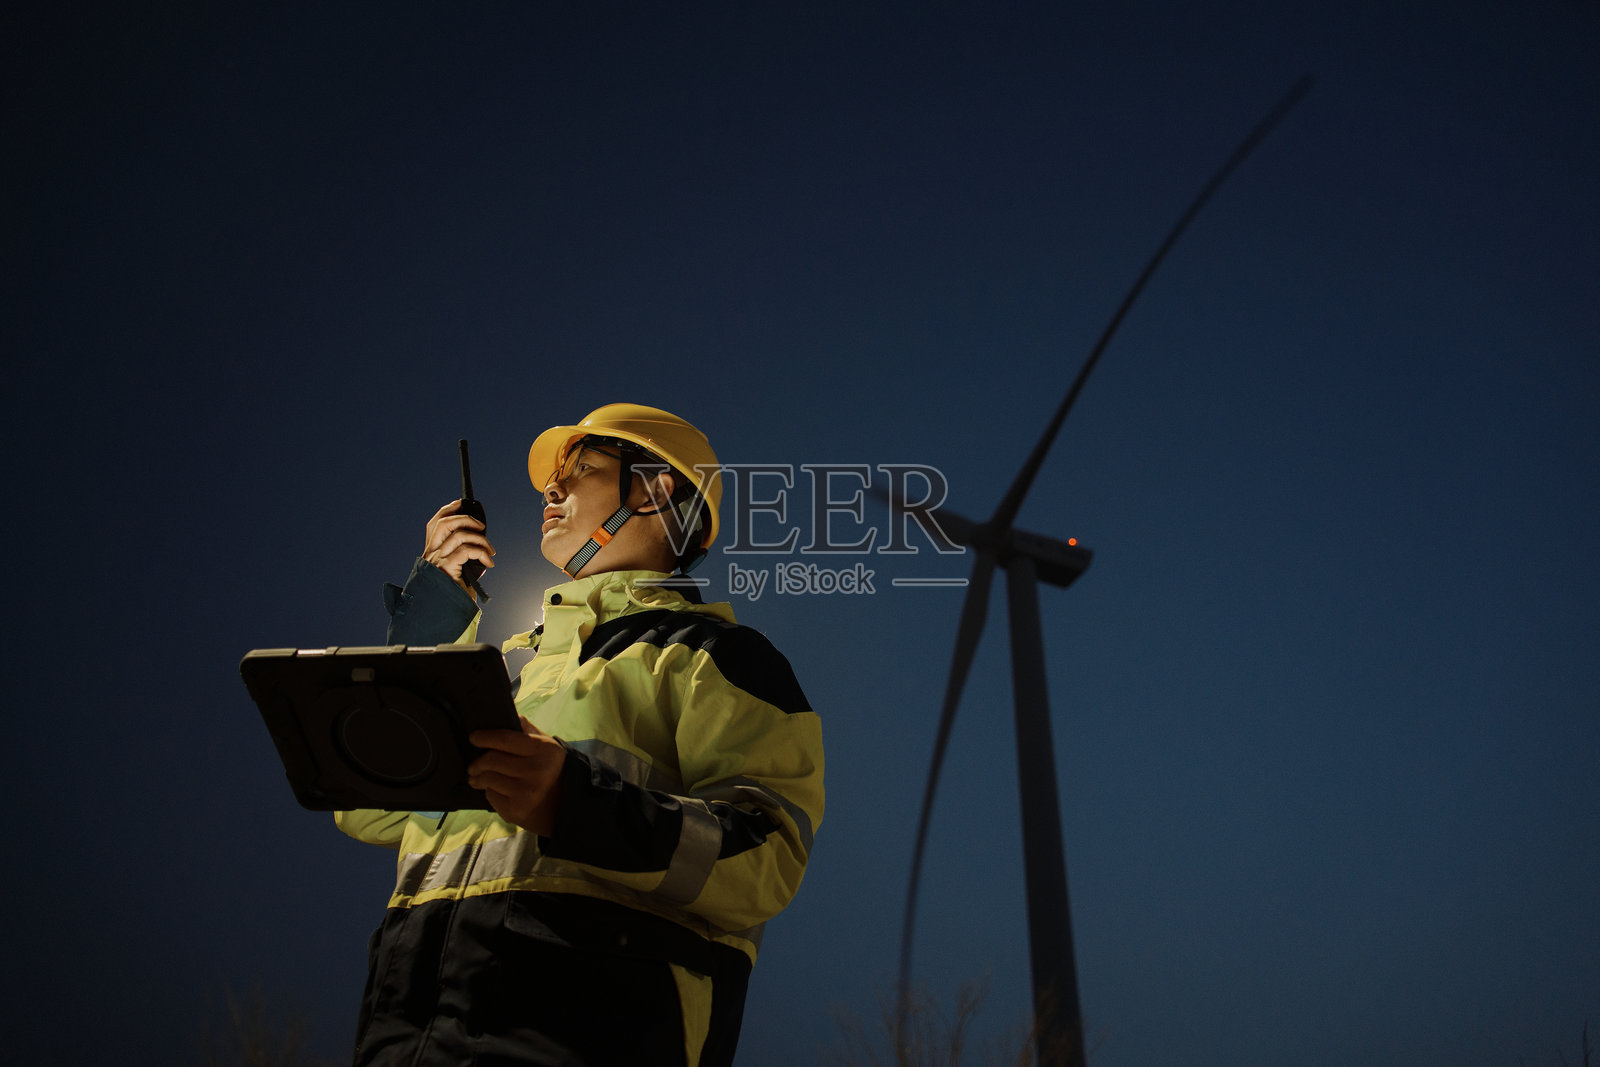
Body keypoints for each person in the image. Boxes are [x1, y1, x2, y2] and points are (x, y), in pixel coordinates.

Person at [335, 403, 825, 1067]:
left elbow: (767, 858)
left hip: (592, 1041)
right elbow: (367, 804)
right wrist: (435, 613)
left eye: (582, 468)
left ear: (653, 490)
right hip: (409, 1045)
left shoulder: (718, 656)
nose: (551, 489)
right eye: (552, 479)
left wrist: (574, 804)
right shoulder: (512, 677)